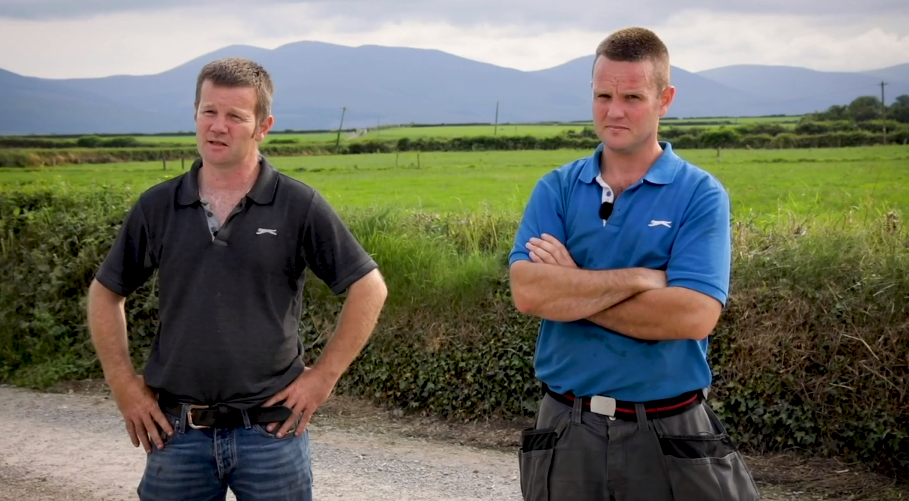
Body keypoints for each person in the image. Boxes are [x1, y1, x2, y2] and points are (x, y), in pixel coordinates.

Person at [86, 57, 388, 501]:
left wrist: (323, 378)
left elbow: (369, 287)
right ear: (195, 115)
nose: (218, 126)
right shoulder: (158, 206)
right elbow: (105, 293)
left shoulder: (298, 204)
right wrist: (124, 386)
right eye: (209, 111)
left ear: (262, 126)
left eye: (235, 116)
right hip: (177, 432)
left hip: (270, 432)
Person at [508, 28, 760, 501]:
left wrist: (572, 288)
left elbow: (691, 315)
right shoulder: (557, 189)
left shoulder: (700, 195)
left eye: (632, 96)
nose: (614, 110)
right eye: (603, 95)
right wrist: (641, 281)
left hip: (667, 431)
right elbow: (528, 292)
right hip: (567, 429)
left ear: (665, 99)